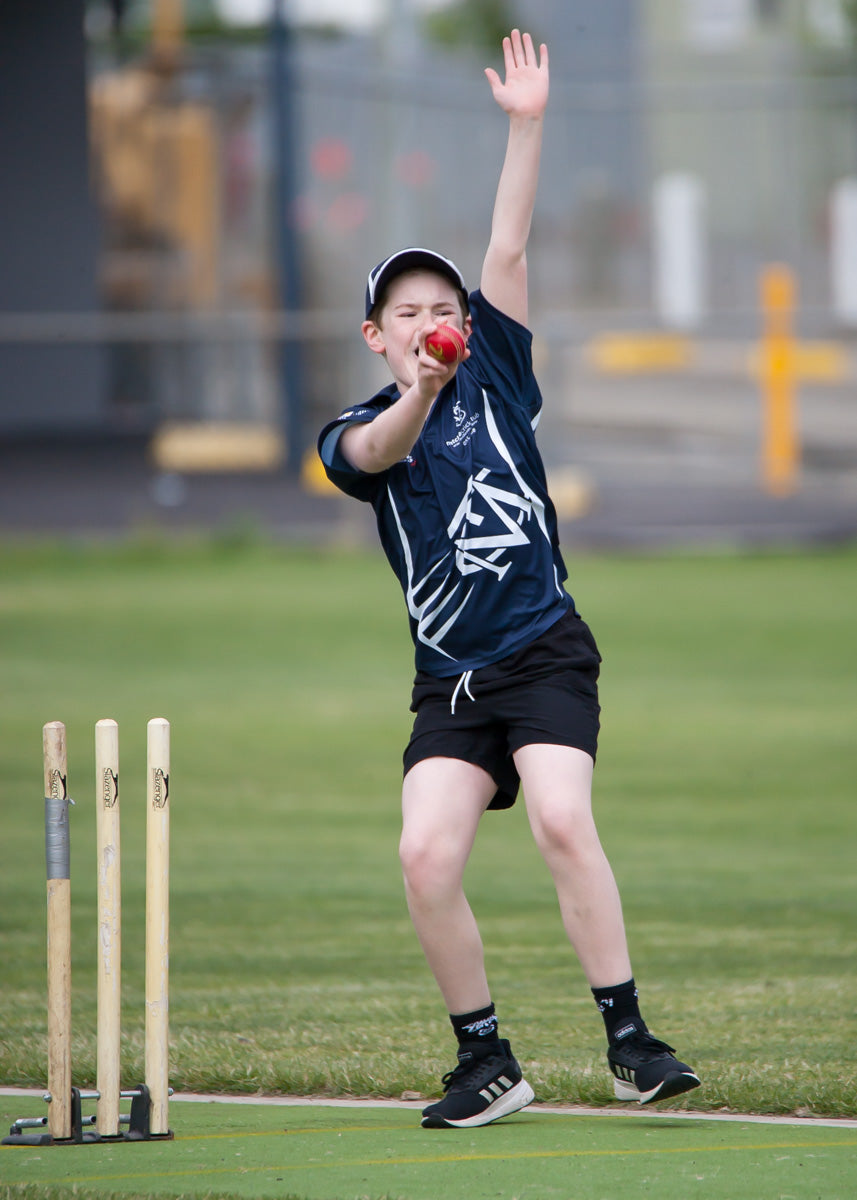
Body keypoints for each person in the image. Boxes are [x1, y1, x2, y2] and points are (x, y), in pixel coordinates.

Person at [317, 29, 700, 1130]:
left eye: (442, 308)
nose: (430, 323)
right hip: (450, 682)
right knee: (422, 852)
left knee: (562, 822)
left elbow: (508, 245)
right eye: (406, 313)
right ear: (374, 336)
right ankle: (484, 1058)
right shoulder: (358, 428)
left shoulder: (494, 369)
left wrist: (525, 126)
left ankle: (629, 1042)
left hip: (541, 650)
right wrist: (420, 392)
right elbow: (377, 451)